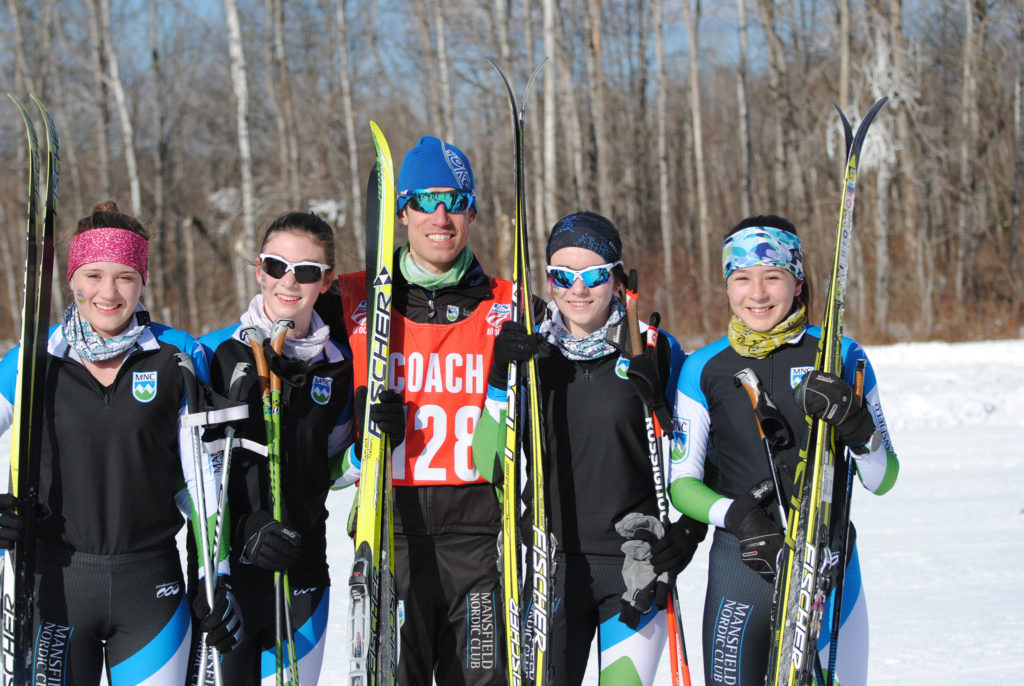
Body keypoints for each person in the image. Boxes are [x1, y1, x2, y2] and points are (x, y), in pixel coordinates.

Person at [0, 201, 241, 685]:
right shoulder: (34, 358)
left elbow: (202, 483)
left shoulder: (175, 357)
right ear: (71, 279)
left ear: (143, 281)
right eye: (93, 275)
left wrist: (214, 576)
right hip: (56, 587)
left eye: (125, 277)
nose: (108, 292)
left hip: (150, 586)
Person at [472, 211, 706, 685]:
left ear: (617, 278)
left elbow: (702, 452)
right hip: (547, 564)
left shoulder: (656, 350)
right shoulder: (529, 352)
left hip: (633, 564)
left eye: (594, 275)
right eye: (562, 276)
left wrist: (690, 531)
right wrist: (500, 381)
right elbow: (487, 463)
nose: (577, 290)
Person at [668, 215, 900, 686]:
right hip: (743, 561)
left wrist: (856, 425)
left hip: (829, 559)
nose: (757, 293)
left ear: (797, 282)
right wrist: (739, 518)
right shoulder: (704, 368)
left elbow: (883, 477)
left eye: (772, 276)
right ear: (727, 286)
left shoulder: (842, 354)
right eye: (741, 278)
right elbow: (682, 486)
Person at [319, 136, 513, 685]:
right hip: (389, 534)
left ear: (472, 211)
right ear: (401, 212)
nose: (441, 216)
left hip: (479, 541)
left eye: (455, 200)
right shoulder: (352, 301)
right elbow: (275, 334)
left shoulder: (511, 305)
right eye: (426, 201)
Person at [199, 211, 403, 684]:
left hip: (302, 571)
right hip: (226, 572)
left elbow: (327, 470)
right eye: (276, 266)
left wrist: (364, 449)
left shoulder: (339, 368)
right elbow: (190, 476)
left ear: (327, 281)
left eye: (307, 272)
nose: (288, 283)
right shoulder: (212, 354)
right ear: (258, 269)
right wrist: (243, 530)